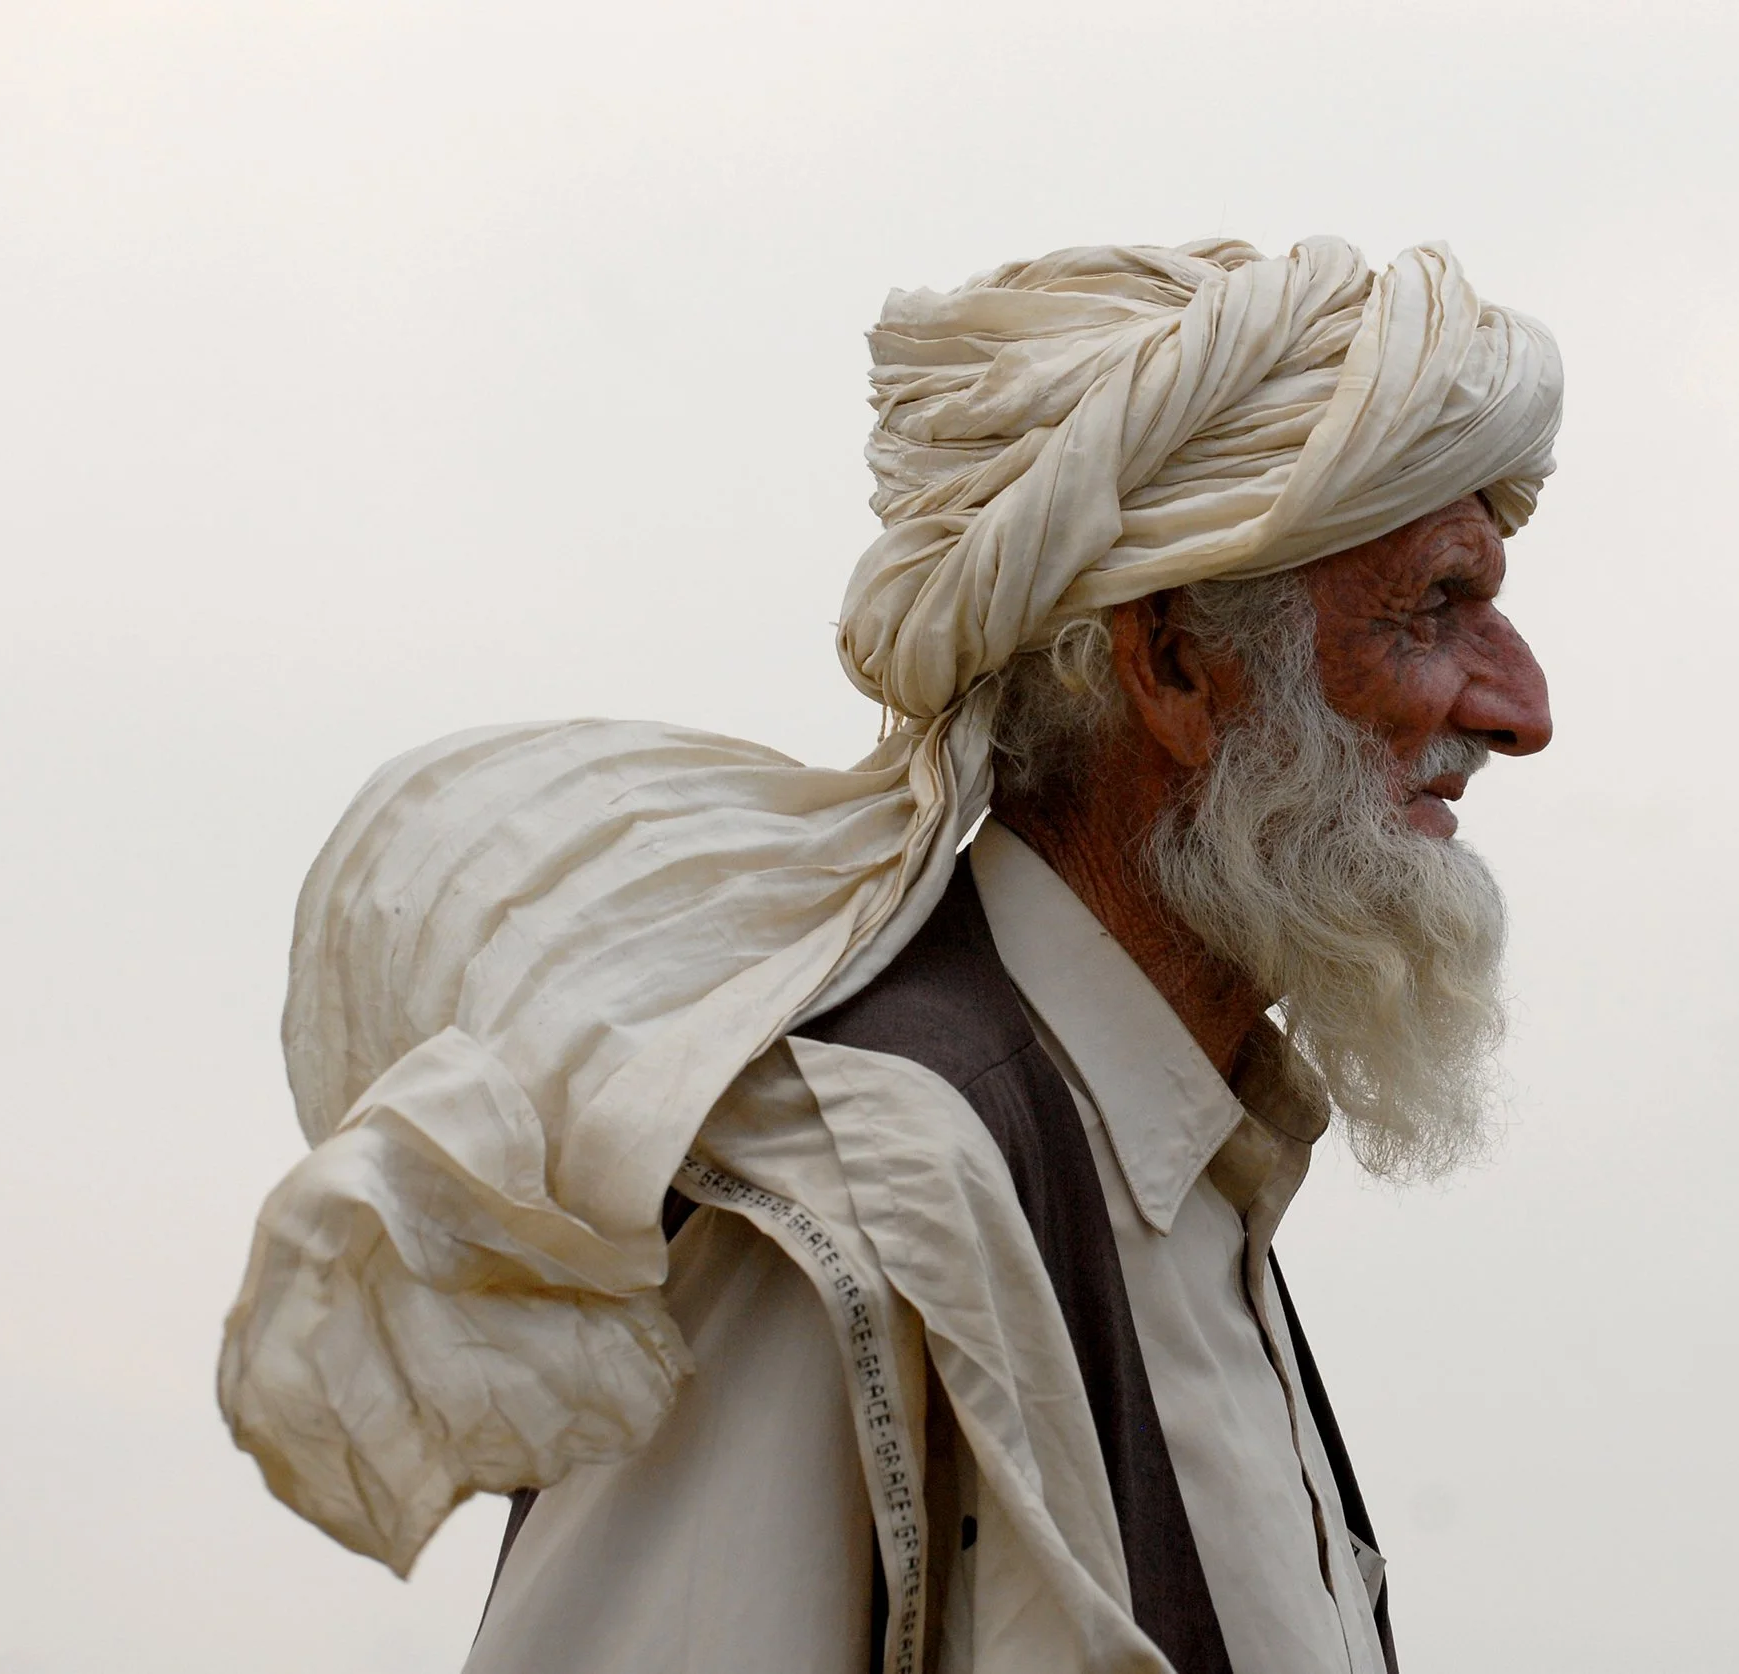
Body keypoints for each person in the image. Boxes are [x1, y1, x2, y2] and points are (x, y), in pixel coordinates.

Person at [217, 235, 1562, 1674]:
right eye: (1433, 606)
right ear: (1170, 662)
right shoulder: (862, 1193)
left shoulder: (1176, 1190)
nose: (1521, 702)